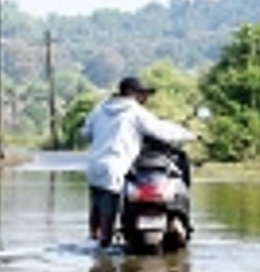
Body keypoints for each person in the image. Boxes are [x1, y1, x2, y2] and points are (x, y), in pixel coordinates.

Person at [80, 76, 195, 248]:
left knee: (97, 207)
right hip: (117, 168)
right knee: (108, 220)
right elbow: (160, 129)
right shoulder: (134, 111)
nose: (145, 98)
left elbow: (85, 133)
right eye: (143, 94)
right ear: (132, 94)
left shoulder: (100, 109)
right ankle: (104, 252)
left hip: (95, 166)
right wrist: (189, 135)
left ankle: (94, 244)